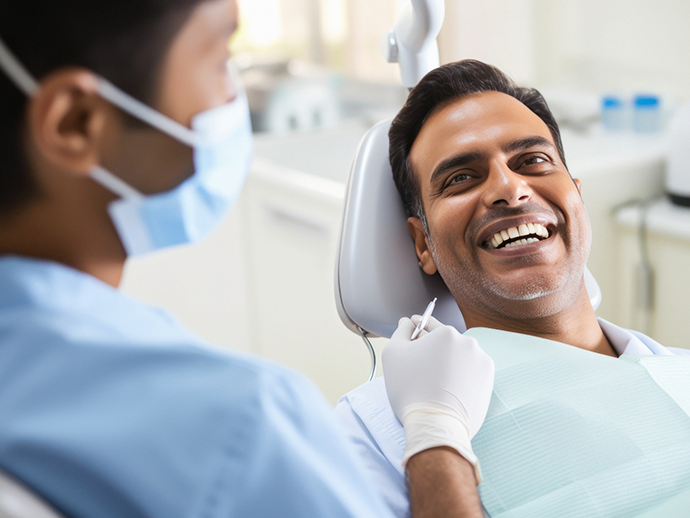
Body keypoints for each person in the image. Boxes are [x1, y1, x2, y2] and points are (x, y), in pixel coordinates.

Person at [0, 2, 495, 517]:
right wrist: (436, 431)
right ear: (76, 124)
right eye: (219, 60)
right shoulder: (238, 434)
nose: (233, 96)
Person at [334, 59, 690, 518]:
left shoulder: (679, 371)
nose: (510, 188)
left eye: (532, 161)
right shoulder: (377, 429)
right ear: (422, 244)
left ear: (577, 197)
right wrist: (433, 430)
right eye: (461, 177)